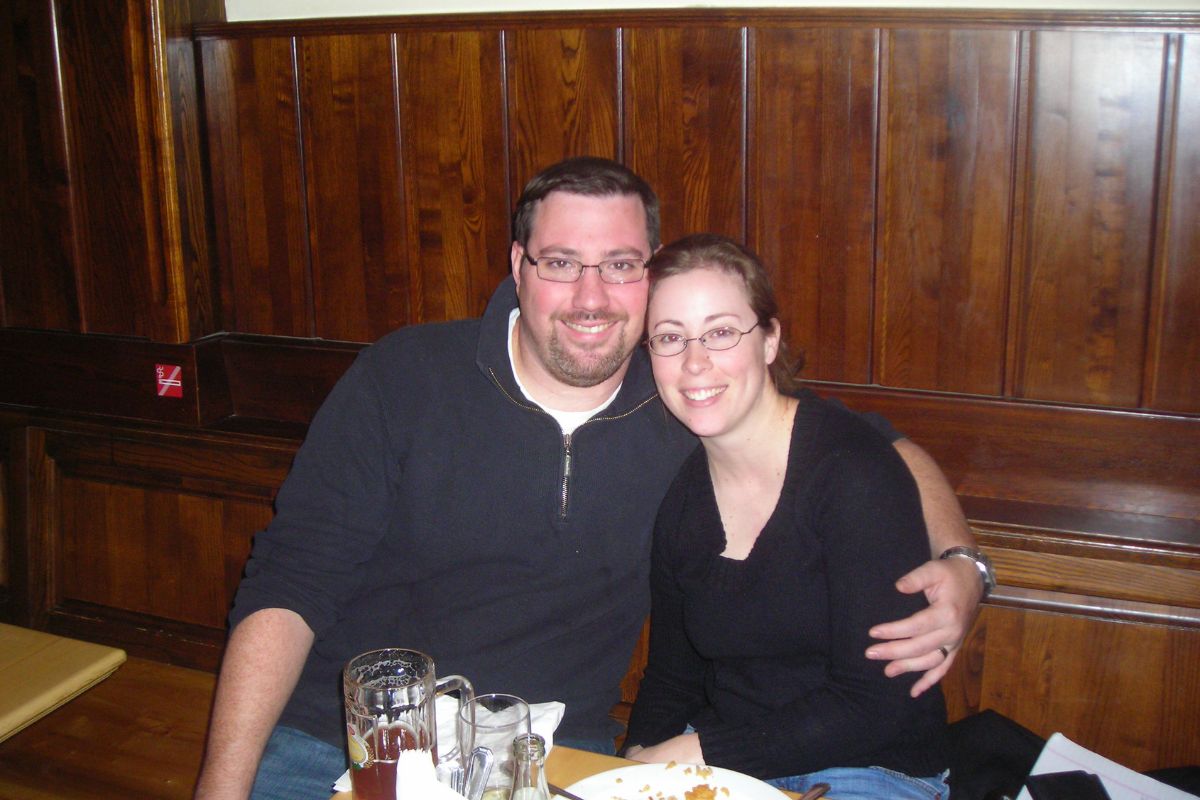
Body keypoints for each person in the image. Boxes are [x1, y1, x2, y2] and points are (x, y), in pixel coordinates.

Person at [194, 158, 986, 799]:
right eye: (561, 263)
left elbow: (872, 450)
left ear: (651, 273)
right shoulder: (404, 375)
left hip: (546, 759)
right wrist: (222, 789)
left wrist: (962, 565)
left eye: (620, 265)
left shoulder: (687, 395)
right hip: (344, 746)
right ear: (518, 265)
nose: (591, 298)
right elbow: (290, 580)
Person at [622, 233, 951, 798]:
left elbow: (874, 702)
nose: (694, 362)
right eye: (670, 338)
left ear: (769, 340)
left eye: (722, 332)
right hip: (729, 762)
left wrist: (689, 752)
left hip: (870, 766)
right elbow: (672, 677)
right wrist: (633, 764)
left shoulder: (851, 473)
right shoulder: (682, 502)